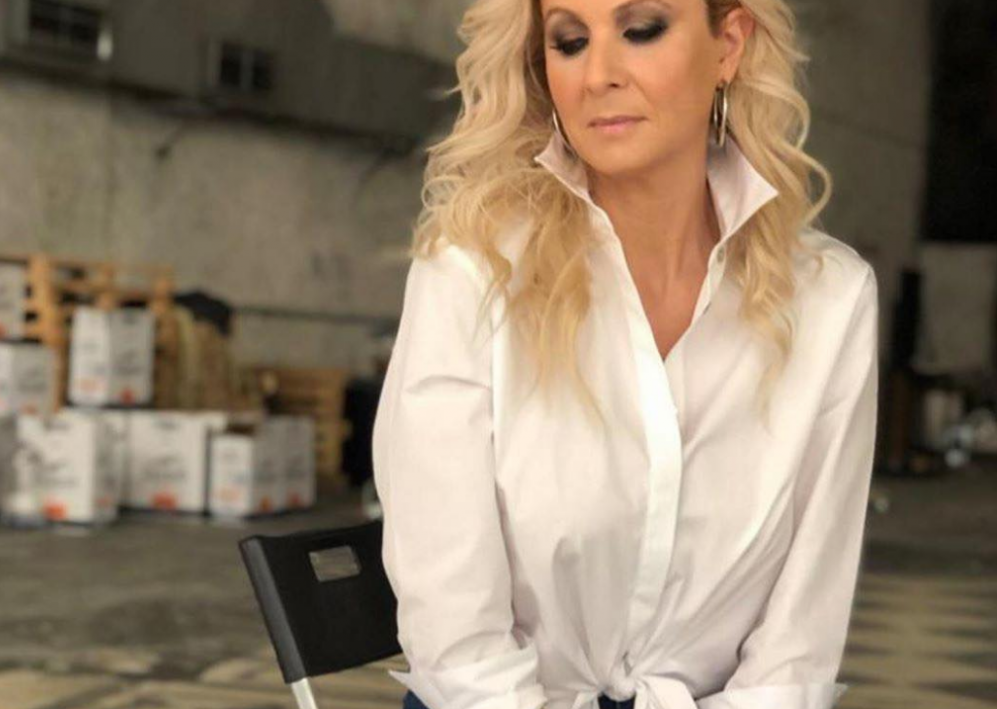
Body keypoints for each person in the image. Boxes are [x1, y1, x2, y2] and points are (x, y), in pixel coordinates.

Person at [372, 1, 879, 709]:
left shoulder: (830, 299)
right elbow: (456, 637)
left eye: (642, 30)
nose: (598, 75)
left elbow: (795, 651)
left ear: (728, 45)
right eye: (569, 41)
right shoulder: (471, 275)